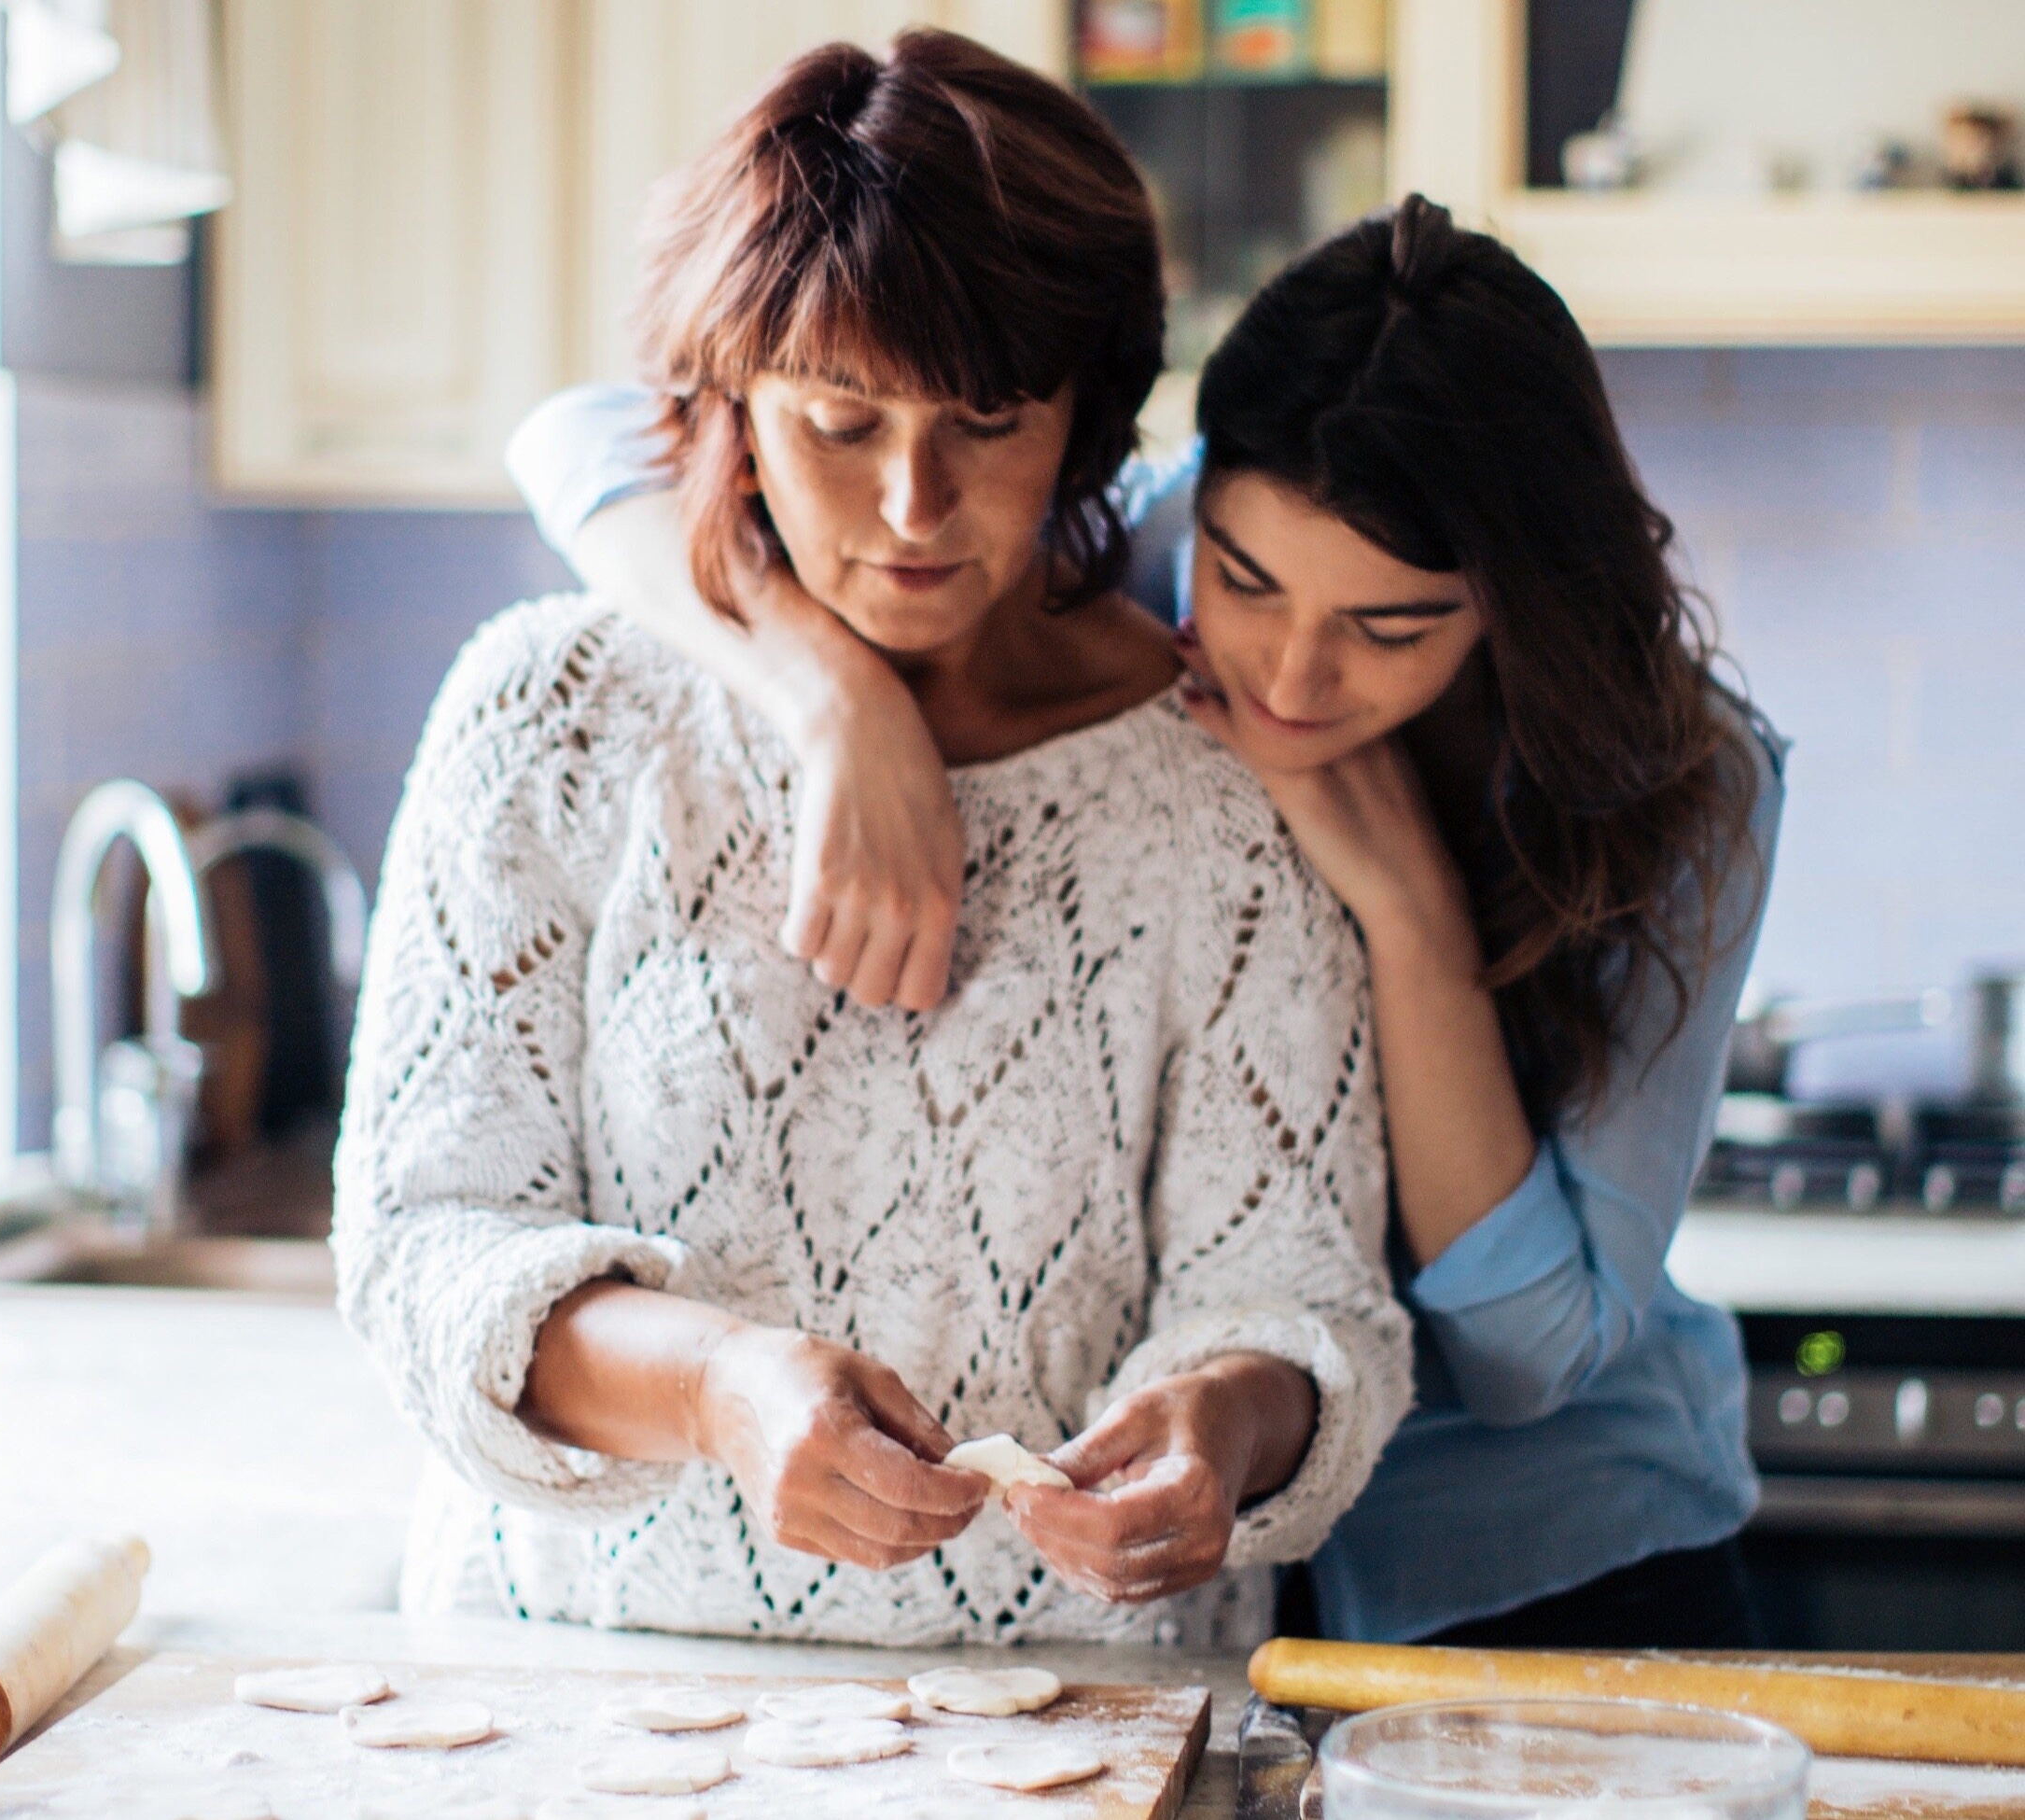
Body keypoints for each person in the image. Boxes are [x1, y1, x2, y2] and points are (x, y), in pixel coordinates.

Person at [506, 193, 1786, 1648]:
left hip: (1544, 1560)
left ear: (1509, 602)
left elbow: (1528, 1356)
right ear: (1199, 492)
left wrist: (1411, 916)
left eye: (1394, 626)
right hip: (1204, 1589)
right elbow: (586, 439)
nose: (1294, 674)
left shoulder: (1688, 779)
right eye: (1244, 581)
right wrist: (833, 702)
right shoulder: (1125, 554)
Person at [332, 30, 1411, 1649]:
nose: (916, 506)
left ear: (1088, 417)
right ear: (728, 406)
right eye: (841, 422)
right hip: (579, 1713)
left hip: (1082, 1726)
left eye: (987, 419)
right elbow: (423, 1247)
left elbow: (1308, 1294)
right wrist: (714, 1388)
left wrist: (1225, 1424)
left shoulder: (1224, 784)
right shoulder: (551, 715)